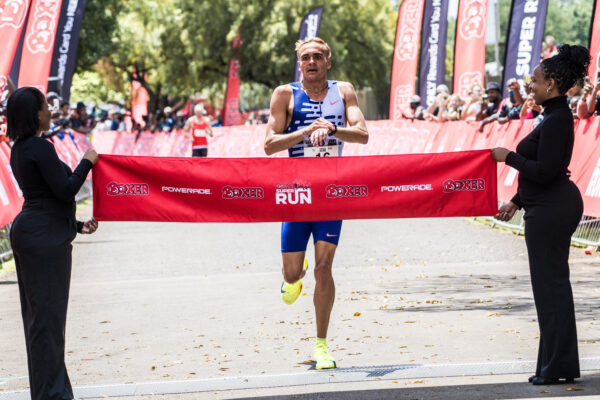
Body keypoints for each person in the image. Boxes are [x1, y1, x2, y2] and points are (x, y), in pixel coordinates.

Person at [264, 37, 368, 370]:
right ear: (299, 63)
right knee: (292, 272)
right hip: (296, 193)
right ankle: (294, 276)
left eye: (318, 57)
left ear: (328, 62)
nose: (312, 61)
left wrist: (333, 130)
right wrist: (305, 132)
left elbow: (362, 134)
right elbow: (269, 144)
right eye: (306, 57)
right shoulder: (285, 94)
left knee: (325, 269)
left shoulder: (344, 91)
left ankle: (321, 344)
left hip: (331, 193)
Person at [491, 44, 590, 385]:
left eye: (534, 80)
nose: (530, 86)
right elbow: (544, 170)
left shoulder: (559, 119)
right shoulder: (553, 116)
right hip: (545, 207)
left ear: (551, 84)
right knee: (549, 290)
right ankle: (554, 365)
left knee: (551, 289)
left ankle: (557, 366)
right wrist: (516, 201)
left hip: (552, 210)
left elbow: (546, 171)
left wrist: (508, 157)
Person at [7, 87, 99, 400]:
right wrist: (87, 161)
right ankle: (54, 395)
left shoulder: (21, 148)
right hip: (42, 239)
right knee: (47, 323)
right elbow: (65, 189)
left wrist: (76, 225)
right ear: (34, 114)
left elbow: (44, 197)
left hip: (36, 232)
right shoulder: (39, 147)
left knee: (41, 322)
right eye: (45, 106)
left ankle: (51, 392)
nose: (50, 111)